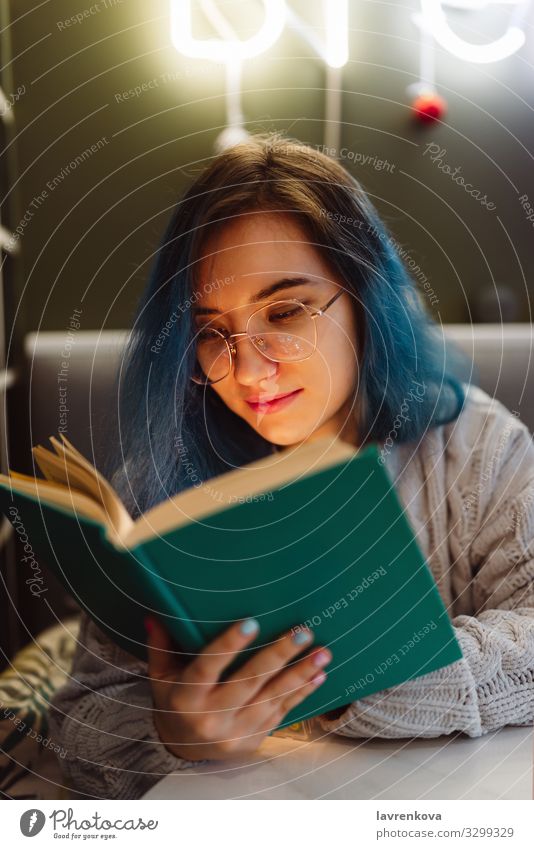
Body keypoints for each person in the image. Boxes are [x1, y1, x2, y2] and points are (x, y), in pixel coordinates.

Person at [48, 133, 534, 799]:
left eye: (285, 310)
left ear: (365, 296)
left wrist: (341, 683)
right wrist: (172, 731)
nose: (247, 369)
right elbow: (79, 722)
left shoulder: (478, 451)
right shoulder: (162, 489)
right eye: (213, 330)